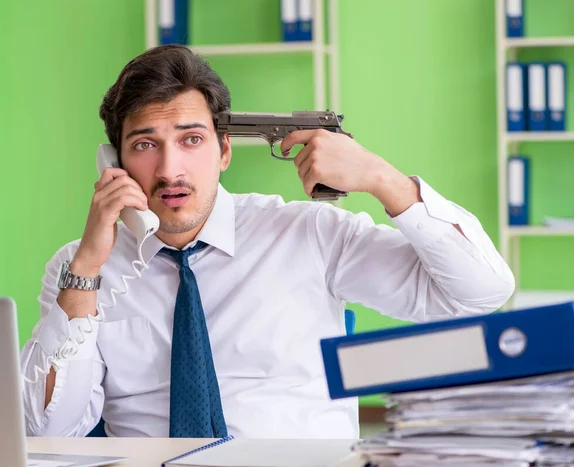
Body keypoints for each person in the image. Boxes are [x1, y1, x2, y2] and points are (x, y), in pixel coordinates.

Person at [21, 45, 514, 439]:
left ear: (225, 150)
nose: (170, 169)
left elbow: (479, 294)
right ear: (115, 162)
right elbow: (46, 429)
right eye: (145, 145)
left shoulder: (310, 234)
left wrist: (383, 179)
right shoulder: (78, 269)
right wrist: (87, 267)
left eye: (191, 140)